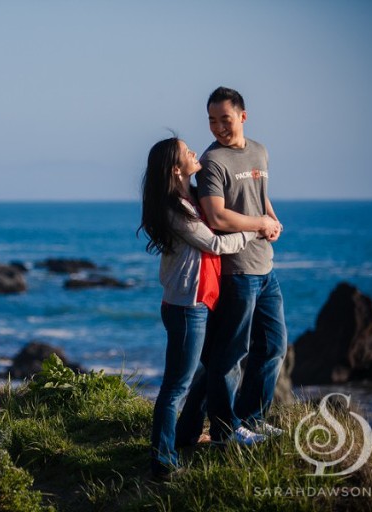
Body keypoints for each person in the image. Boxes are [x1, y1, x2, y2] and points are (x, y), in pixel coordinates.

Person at [138, 136, 277, 478]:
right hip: (187, 307)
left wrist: (259, 216)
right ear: (175, 169)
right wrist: (257, 228)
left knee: (211, 368)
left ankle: (186, 436)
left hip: (202, 301)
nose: (193, 153)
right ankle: (162, 462)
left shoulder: (191, 195)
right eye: (187, 152)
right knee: (176, 385)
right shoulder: (176, 209)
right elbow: (214, 242)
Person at [195, 86, 288, 445]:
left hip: (266, 268)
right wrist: (260, 225)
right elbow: (217, 216)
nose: (218, 127)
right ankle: (225, 430)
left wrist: (272, 219)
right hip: (237, 271)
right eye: (212, 120)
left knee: (274, 347)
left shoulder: (260, 151)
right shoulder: (212, 161)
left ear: (243, 117)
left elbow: (259, 197)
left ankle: (251, 419)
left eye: (225, 119)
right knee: (232, 355)